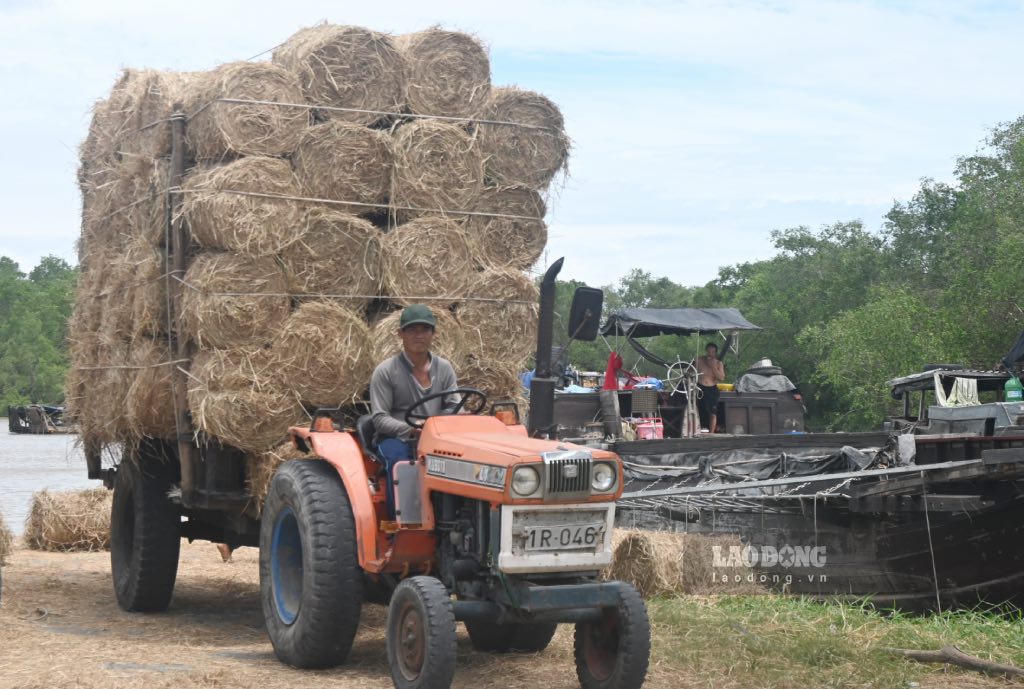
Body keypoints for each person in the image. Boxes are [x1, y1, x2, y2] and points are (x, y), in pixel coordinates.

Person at [369, 303, 459, 456]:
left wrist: (435, 426)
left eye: (425, 330)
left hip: (437, 437)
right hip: (398, 438)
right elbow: (380, 418)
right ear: (400, 334)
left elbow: (454, 405)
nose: (419, 336)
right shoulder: (386, 371)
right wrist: (411, 428)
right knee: (400, 462)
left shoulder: (445, 368)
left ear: (434, 333)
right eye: (411, 330)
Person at [696, 342, 726, 433]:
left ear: (715, 353)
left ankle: (711, 433)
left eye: (712, 352)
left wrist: (713, 367)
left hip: (712, 388)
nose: (710, 353)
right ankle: (698, 429)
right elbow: (689, 371)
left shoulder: (718, 363)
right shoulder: (699, 360)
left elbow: (721, 378)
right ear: (706, 351)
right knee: (699, 410)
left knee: (712, 412)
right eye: (708, 351)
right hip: (700, 387)